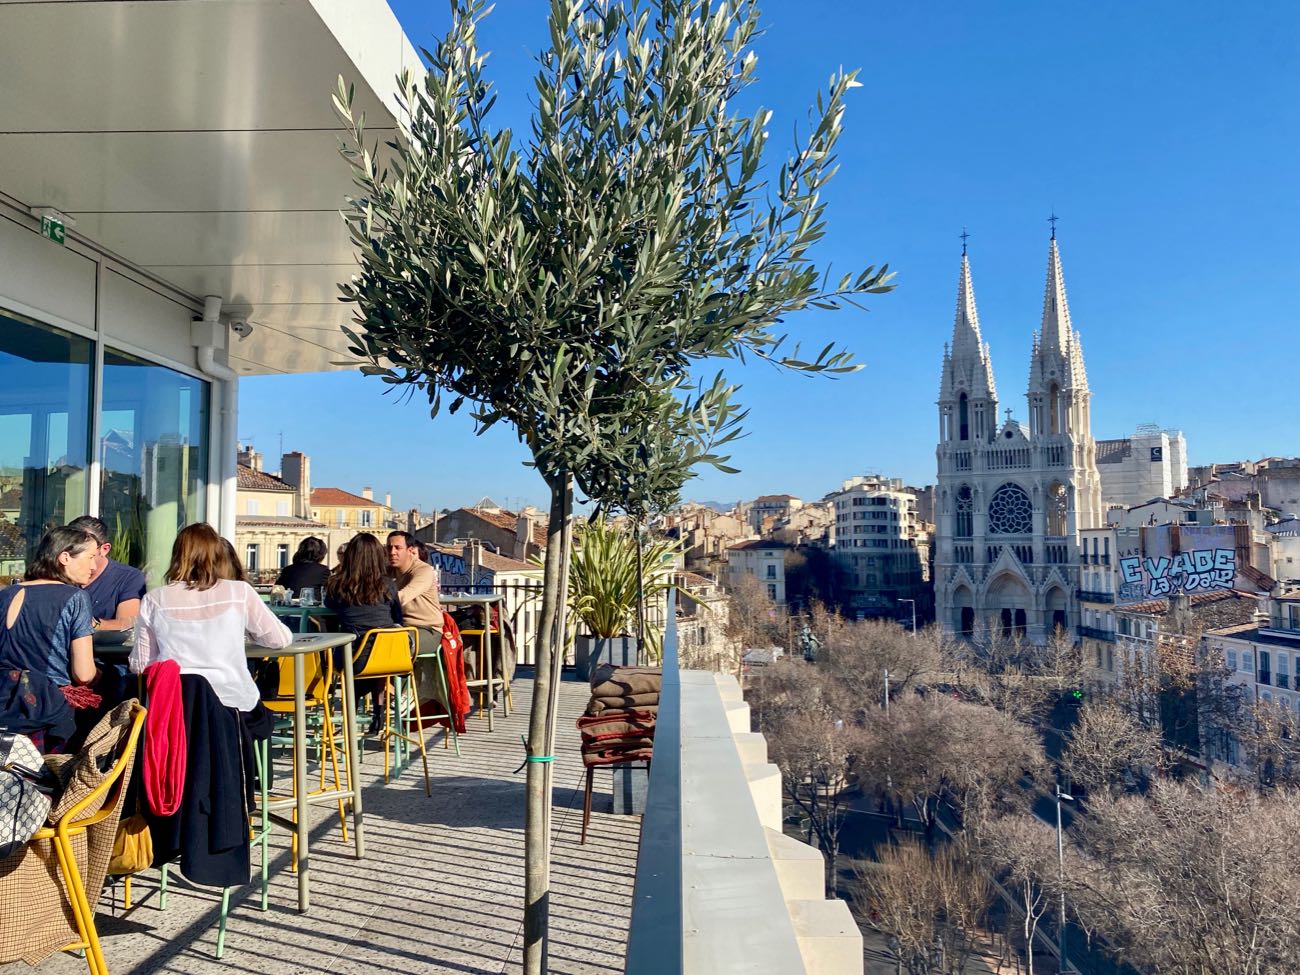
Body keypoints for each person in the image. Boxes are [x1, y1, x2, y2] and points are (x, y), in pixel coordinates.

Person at [130, 524, 292, 711]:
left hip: (176, 706)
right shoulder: (239, 591)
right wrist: (250, 634)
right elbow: (279, 639)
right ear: (217, 554)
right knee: (262, 720)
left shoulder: (154, 599)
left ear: (177, 555)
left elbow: (141, 664)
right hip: (233, 702)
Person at [0, 527, 101, 749]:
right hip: (46, 712)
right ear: (65, 557)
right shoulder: (76, 598)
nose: (94, 567)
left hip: (4, 707)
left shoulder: (5, 594)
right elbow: (83, 674)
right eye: (91, 557)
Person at [67, 514, 146, 632]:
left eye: (83, 549)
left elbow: (128, 624)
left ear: (104, 549)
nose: (74, 554)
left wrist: (90, 624)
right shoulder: (59, 573)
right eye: (70, 548)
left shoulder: (128, 577)